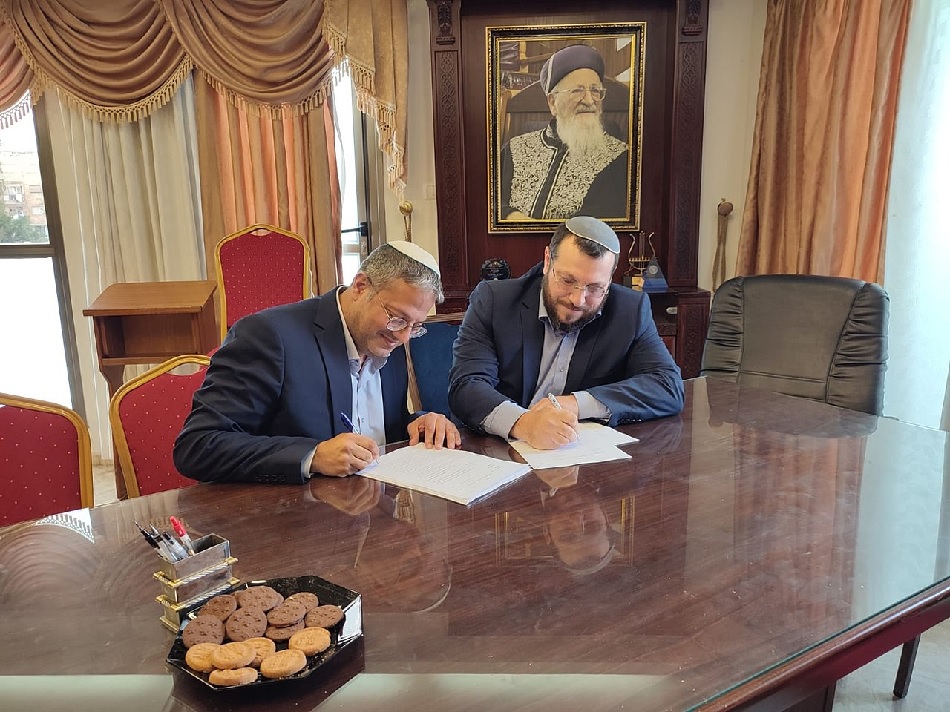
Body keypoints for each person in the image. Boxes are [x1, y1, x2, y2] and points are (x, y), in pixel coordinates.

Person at [174, 240, 461, 484]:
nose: (404, 336)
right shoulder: (270, 336)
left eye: (415, 326)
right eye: (397, 318)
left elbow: (375, 428)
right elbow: (198, 445)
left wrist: (418, 423)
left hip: (372, 512)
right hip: (293, 520)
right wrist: (312, 456)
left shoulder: (389, 337)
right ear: (361, 287)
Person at [448, 216, 684, 450]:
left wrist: (576, 404)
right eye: (568, 280)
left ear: (609, 280)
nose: (578, 300)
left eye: (595, 288)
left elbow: (667, 386)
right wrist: (525, 423)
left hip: (577, 455)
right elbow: (466, 386)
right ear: (547, 261)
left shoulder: (630, 310)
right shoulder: (494, 301)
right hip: (496, 450)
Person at [500, 44, 629, 221]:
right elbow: (488, 200)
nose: (589, 100)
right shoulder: (515, 149)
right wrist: (511, 216)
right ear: (552, 102)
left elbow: (599, 225)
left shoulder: (619, 158)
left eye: (595, 90)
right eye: (577, 90)